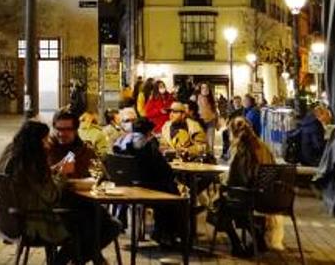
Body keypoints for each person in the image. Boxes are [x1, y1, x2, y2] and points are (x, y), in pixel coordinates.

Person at [0, 119, 119, 265]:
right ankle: (78, 260)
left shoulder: (13, 154)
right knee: (90, 223)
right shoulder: (31, 161)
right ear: (35, 141)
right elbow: (51, 196)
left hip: (10, 219)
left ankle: (91, 258)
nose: (47, 143)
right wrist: (62, 173)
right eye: (45, 139)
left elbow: (32, 182)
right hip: (33, 221)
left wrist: (52, 170)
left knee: (89, 217)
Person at [113, 117, 184, 247]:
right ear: (148, 132)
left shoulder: (120, 142)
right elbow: (164, 169)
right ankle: (166, 234)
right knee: (175, 193)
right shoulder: (147, 145)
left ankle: (162, 233)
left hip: (125, 185)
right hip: (146, 187)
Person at [213, 117, 275, 256]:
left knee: (217, 205)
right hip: (268, 196)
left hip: (248, 196)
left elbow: (234, 178)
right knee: (234, 204)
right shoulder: (263, 146)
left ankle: (236, 244)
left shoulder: (240, 148)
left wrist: (220, 180)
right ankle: (257, 237)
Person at [47, 110, 96, 179]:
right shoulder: (46, 149)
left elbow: (101, 178)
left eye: (67, 129)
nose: (62, 134)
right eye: (58, 129)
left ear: (75, 130)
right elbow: (35, 178)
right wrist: (57, 169)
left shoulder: (86, 151)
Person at [285, 101, 326, 167]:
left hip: (302, 158)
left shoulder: (303, 123)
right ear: (319, 115)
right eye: (325, 114)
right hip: (313, 159)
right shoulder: (315, 125)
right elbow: (318, 145)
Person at [196, 82, 219, 156]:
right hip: (200, 121)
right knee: (201, 140)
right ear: (200, 89)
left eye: (206, 88)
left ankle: (210, 156)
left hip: (211, 121)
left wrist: (217, 122)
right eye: (203, 88)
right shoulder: (196, 97)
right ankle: (201, 155)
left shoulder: (211, 98)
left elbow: (215, 111)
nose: (205, 89)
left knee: (210, 141)